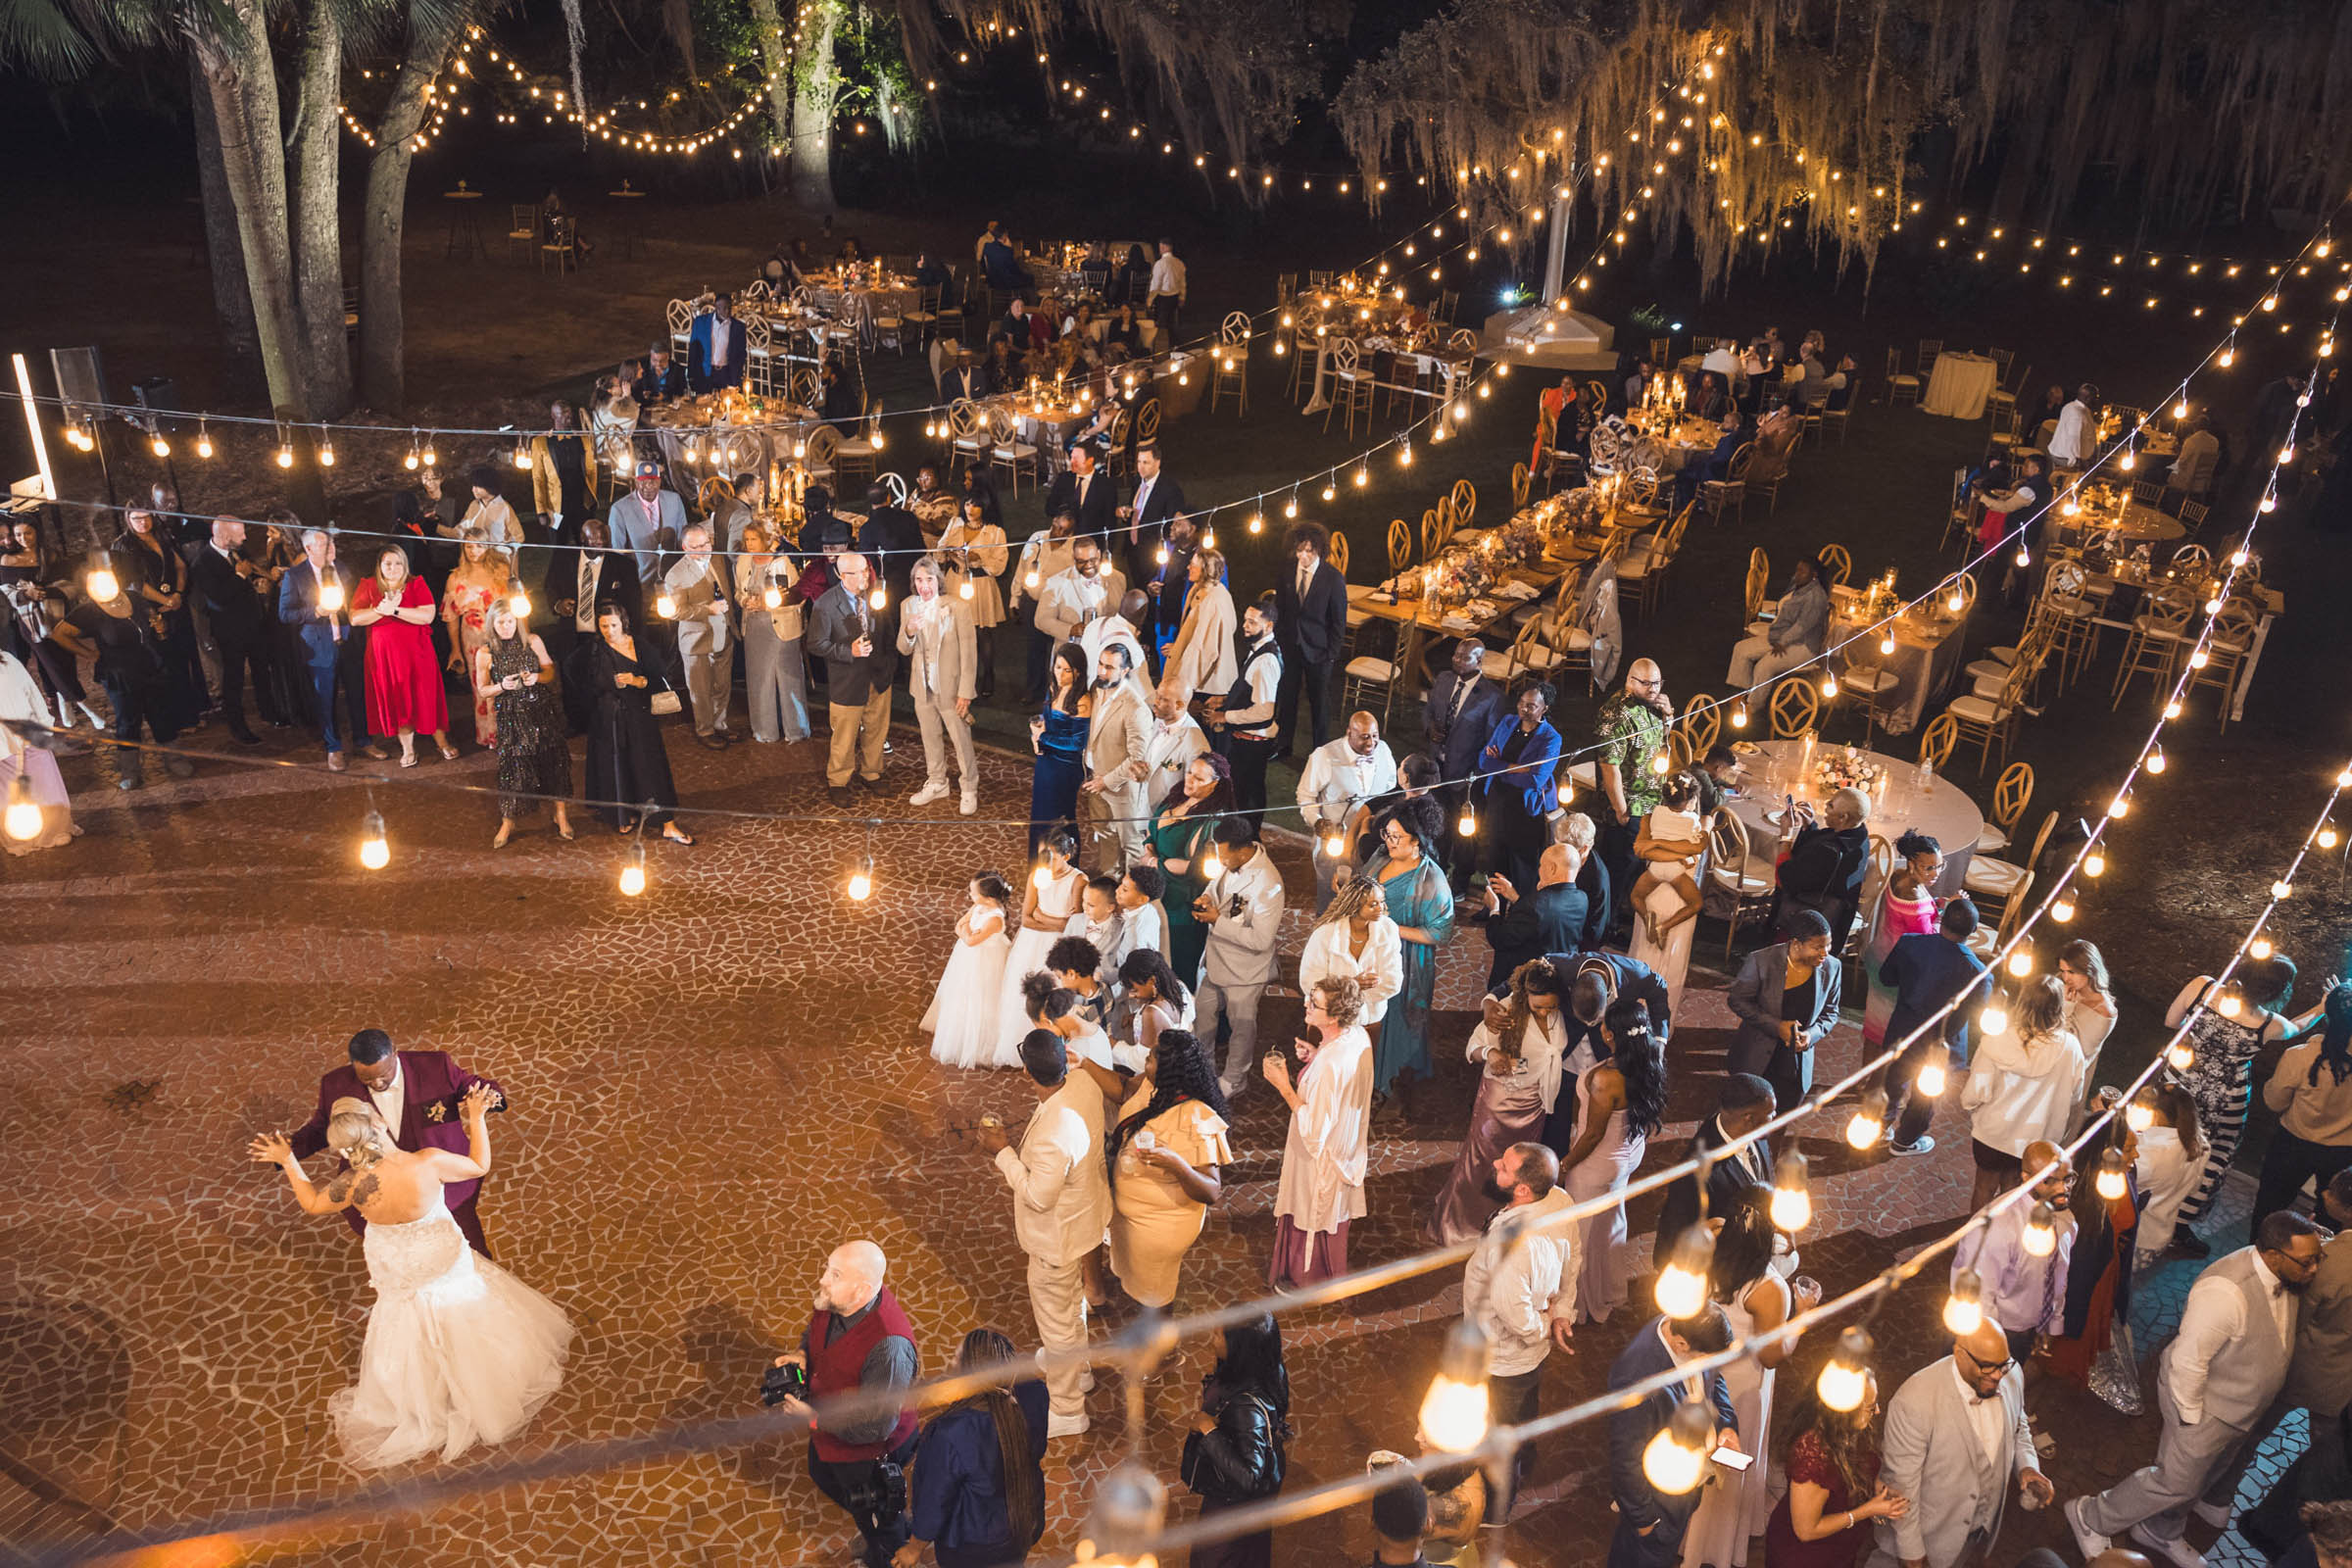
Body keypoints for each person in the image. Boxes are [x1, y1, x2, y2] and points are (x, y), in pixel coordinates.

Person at [249, 1085, 568, 1468]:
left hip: (398, 1270)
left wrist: (288, 1161)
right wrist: (478, 1118)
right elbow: (479, 1165)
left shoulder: (352, 1185)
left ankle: (425, 1401)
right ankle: (482, 1388)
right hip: (441, 1262)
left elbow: (313, 1203)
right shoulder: (427, 1163)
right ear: (379, 1122)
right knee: (462, 1312)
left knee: (409, 1325)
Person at [2066, 1213, 2328, 1568]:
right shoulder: (2226, 1292)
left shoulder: (2286, 1275)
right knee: (2173, 1483)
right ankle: (2091, 1514)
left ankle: (2161, 1530)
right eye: (2308, 1261)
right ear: (2274, 1255)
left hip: (2239, 1409)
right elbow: (2187, 1363)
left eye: (2318, 1258)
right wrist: (2190, 1421)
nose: (2314, 1269)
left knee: (2205, 1476)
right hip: (2205, 1408)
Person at [978, 1027, 1109, 1440]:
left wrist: (1002, 1152)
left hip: (1056, 1238)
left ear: (1027, 1075)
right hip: (1083, 1221)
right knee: (1072, 1306)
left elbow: (1037, 1196)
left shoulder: (1054, 1132)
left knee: (1056, 1323)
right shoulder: (1084, 1083)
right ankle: (1080, 1368)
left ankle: (1069, 1409)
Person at [285, 1029, 508, 1256]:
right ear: (353, 1065)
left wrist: (491, 1099)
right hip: (381, 1193)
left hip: (446, 1187)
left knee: (472, 1249)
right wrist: (287, 1151)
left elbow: (472, 1085)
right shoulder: (335, 1085)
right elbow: (322, 1129)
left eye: (384, 1074)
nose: (378, 1083)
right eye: (367, 1079)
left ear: (395, 1053)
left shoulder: (434, 1066)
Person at [768, 1242, 923, 1568]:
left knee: (880, 1515)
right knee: (821, 1472)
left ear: (862, 1289)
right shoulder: (839, 1301)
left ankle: (887, 1548)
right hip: (833, 1434)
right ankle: (873, 1530)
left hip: (869, 1451)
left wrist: (814, 1417)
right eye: (827, 1268)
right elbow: (815, 1331)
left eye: (835, 1274)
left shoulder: (888, 1348)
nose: (823, 1279)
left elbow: (877, 1426)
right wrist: (802, 1354)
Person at [1685, 1194, 1813, 1568]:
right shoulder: (1767, 1288)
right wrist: (1801, 1320)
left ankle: (1682, 1527)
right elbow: (1771, 1354)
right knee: (1726, 1459)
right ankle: (1713, 1541)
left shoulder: (1709, 1242)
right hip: (1740, 1388)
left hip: (1701, 1368)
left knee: (1695, 1445)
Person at [1461, 1140, 1581, 1517]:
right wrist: (1562, 1311)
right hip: (1531, 1356)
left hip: (1501, 1357)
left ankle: (1496, 1507)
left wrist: (1544, 1324)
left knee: (1497, 1437)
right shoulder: (1560, 1198)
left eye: (1505, 1167)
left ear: (1523, 1190)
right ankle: (1525, 1457)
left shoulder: (1510, 1245)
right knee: (1523, 1414)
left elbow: (1513, 1313)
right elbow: (1573, 1260)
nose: (1495, 1162)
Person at [1875, 1319, 2052, 1568]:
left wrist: (2027, 1466)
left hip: (1971, 1536)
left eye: (2003, 1365)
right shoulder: (1914, 1400)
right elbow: (1902, 1488)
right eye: (1987, 1367)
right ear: (1960, 1354)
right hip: (1924, 1536)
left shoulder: (2012, 1375)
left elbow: (2019, 1426)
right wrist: (1912, 1554)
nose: (1998, 1375)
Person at [2168, 957, 2303, 1250]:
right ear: (2275, 992)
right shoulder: (2270, 1025)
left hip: (2176, 1081)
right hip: (2225, 1101)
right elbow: (2298, 1028)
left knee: (2158, 1136)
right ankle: (2179, 1227)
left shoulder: (2201, 987)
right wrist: (2322, 1007)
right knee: (2209, 1158)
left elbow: (2171, 1022)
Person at [1431, 960, 1568, 1244]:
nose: (1545, 1012)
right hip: (1499, 1104)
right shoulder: (1505, 1010)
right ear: (1525, 996)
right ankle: (1464, 1224)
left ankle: (1506, 1222)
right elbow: (1473, 1046)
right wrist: (1491, 1053)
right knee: (1484, 1165)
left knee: (1520, 1171)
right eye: (1539, 1006)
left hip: (1535, 1106)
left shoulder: (1559, 1013)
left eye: (1550, 1007)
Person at [898, 1328, 1045, 1568]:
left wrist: (913, 1549)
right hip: (1025, 1522)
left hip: (974, 1546)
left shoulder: (950, 1434)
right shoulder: (1035, 1392)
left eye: (957, 1358)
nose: (951, 1361)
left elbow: (934, 1501)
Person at [1106, 1027, 1231, 1308]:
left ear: (1168, 1070)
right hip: (1132, 1217)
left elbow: (1212, 1191)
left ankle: (1165, 1349)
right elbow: (1124, 1089)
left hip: (1160, 1225)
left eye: (1150, 1058)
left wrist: (1176, 1163)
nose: (1146, 1063)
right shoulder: (1155, 1086)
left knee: (1156, 1295)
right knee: (1140, 1282)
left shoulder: (1196, 1116)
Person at [1608, 1305, 1741, 1568]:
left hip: (1686, 1487)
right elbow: (1625, 1459)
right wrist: (1647, 1521)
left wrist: (1726, 1424)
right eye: (1706, 1357)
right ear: (1680, 1344)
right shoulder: (1635, 1378)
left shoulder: (1685, 1323)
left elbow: (1715, 1377)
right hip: (1659, 1503)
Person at [1563, 998, 1669, 1323]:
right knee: (1609, 1223)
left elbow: (1593, 1135)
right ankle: (1606, 1288)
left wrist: (1565, 1164)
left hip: (1597, 1162)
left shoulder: (1605, 1080)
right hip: (1628, 1152)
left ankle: (1578, 1303)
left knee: (1579, 1231)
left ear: (1610, 1035)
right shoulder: (1650, 1060)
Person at [1265, 975, 1373, 1287]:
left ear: (1335, 1015)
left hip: (1322, 1159)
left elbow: (1313, 1131)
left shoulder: (1332, 1064)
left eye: (1315, 1003)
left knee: (1311, 1216)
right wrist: (1315, 1056)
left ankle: (1308, 1280)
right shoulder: (1356, 1036)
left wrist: (1284, 1086)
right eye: (1310, 996)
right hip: (1347, 1146)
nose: (1306, 1005)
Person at [1876, 899, 1993, 1158]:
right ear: (1974, 931)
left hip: (1904, 1031)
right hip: (1942, 1044)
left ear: (1942, 920)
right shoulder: (1978, 972)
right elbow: (1977, 1016)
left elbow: (1887, 977)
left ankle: (1878, 1127)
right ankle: (1905, 1141)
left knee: (1893, 1080)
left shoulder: (1910, 943)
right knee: (1925, 1094)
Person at [1962, 976, 2087, 1212]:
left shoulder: (1998, 1039)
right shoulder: (2070, 1048)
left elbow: (1977, 1090)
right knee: (2014, 1192)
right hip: (2035, 1140)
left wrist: (1970, 1106)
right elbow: (2075, 1095)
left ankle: (1974, 1238)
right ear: (2058, 1008)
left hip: (1993, 1132)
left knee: (1983, 1187)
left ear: (2022, 1003)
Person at [1952, 1142, 2077, 1364]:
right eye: (2050, 1181)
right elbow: (1979, 1297)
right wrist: (1990, 1343)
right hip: (2001, 1331)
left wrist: (2052, 1324)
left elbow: (2058, 1276)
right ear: (2026, 1178)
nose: (2062, 1189)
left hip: (2032, 1326)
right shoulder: (1997, 1227)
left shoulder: (2066, 1219)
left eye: (2068, 1179)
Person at [1182, 1313, 1290, 1568]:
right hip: (1249, 1502)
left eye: (1220, 1334)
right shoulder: (1268, 1368)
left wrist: (1209, 1432)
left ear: (1239, 1348)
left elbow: (1249, 1476)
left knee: (1215, 1557)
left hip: (1234, 1502)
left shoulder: (1246, 1409)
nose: (1213, 1337)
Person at [1189, 815, 1286, 1096]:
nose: (1220, 861)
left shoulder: (1269, 884)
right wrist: (1208, 898)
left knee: (1241, 1027)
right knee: (1203, 1017)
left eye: (1223, 855)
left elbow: (1260, 939)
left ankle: (1234, 1079)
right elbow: (1215, 886)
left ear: (1242, 851)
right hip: (1214, 961)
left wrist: (1216, 919)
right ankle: (1202, 1069)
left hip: (1245, 971)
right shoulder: (1230, 861)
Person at [2047, 1116, 2140, 1406]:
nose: (2136, 1156)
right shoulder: (2080, 1201)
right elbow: (2071, 1269)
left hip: (2104, 1278)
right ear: (2105, 1151)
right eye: (2128, 1148)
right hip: (2080, 1291)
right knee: (2054, 1360)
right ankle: (2026, 1412)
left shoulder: (2123, 1176)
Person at [1765, 1375, 1905, 1568]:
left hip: (1839, 1549)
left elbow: (1856, 1471)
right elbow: (1806, 1531)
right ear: (1846, 1409)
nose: (1878, 1411)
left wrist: (1880, 1490)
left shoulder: (1852, 1430)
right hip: (1804, 1557)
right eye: (1871, 1406)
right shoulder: (1813, 1451)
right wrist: (1868, 1510)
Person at [578, 604, 692, 843]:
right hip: (609, 718)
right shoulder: (595, 649)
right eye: (604, 626)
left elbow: (659, 676)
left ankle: (667, 823)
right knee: (617, 766)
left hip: (639, 715)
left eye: (614, 625)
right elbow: (580, 677)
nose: (609, 631)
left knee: (649, 766)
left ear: (624, 623)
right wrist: (604, 688)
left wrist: (636, 681)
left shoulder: (639, 645)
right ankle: (624, 814)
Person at [1368, 809, 1456, 1108]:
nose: (1389, 842)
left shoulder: (1431, 880)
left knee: (1396, 1020)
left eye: (1396, 836)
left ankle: (1389, 1084)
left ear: (1416, 840)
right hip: (1371, 952)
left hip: (1406, 960)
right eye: (1386, 834)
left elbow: (1439, 933)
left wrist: (1391, 928)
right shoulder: (1380, 858)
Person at [275, 528, 377, 770]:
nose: (331, 548)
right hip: (320, 646)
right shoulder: (296, 576)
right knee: (325, 698)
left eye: (331, 543)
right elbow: (284, 614)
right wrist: (316, 612)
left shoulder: (342, 568)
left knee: (357, 693)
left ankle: (364, 740)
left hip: (349, 642)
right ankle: (334, 748)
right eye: (323, 545)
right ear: (309, 549)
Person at [472, 598, 572, 847]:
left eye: (510, 621)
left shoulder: (533, 641)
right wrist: (501, 686)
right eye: (500, 623)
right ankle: (508, 820)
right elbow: (482, 690)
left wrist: (537, 676)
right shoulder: (485, 653)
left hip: (540, 710)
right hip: (511, 716)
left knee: (553, 761)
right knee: (513, 769)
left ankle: (560, 814)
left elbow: (550, 672)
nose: (506, 627)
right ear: (492, 624)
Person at [2255, 979, 2352, 1230]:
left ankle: (2260, 1254)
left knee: (2270, 1207)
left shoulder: (2301, 1056)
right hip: (2343, 1154)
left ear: (2329, 1017)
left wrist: (2330, 1005)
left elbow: (2273, 1101)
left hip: (2293, 1143)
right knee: (2331, 1219)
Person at [1654, 1073, 1778, 1264]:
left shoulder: (1756, 1132)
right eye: (1771, 1112)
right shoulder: (1694, 1176)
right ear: (1748, 1118)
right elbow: (1677, 1238)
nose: (1775, 1117)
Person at [1728, 910, 1843, 1113]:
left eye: (1828, 944)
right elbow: (1737, 1000)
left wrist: (1811, 1035)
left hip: (1796, 1064)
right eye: (1818, 947)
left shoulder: (1833, 968)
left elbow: (1831, 1012)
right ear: (1797, 944)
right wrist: (1776, 1026)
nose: (1825, 952)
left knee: (1782, 1117)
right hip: (1756, 1057)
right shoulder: (1761, 961)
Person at [350, 546, 455, 767]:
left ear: (405, 565)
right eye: (388, 563)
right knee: (398, 699)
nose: (393, 568)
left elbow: (427, 615)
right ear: (379, 566)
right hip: (385, 657)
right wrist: (380, 610)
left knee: (426, 694)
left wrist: (395, 611)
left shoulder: (416, 583)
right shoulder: (368, 585)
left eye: (398, 563)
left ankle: (441, 741)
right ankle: (408, 749)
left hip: (417, 652)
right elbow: (355, 618)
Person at [809, 552, 900, 808]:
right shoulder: (825, 605)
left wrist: (889, 666)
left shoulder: (876, 596)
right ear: (840, 575)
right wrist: (849, 652)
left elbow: (888, 635)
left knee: (877, 731)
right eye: (857, 572)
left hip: (878, 678)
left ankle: (872, 772)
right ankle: (838, 781)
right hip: (847, 682)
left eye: (865, 569)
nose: (864, 576)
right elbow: (815, 644)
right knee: (844, 737)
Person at [898, 557, 981, 815]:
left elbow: (969, 653)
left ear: (938, 581)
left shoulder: (958, 607)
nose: (924, 586)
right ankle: (937, 782)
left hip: (951, 688)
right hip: (921, 688)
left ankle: (969, 788)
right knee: (929, 737)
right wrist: (909, 631)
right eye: (919, 580)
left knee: (960, 739)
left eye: (929, 580)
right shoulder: (907, 605)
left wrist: (966, 692)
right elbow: (902, 648)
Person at [1594, 660, 1672, 936]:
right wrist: (1621, 809)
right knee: (1618, 869)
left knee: (1633, 867)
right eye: (1647, 683)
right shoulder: (1617, 714)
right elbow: (1609, 765)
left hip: (1650, 801)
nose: (1653, 689)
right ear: (1630, 680)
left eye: (1657, 683)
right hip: (1629, 806)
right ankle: (1605, 925)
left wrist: (1668, 716)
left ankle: (1620, 913)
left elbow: (1661, 743)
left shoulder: (1653, 705)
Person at [187, 514, 279, 743]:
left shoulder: (239, 551)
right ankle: (238, 727)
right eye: (241, 534)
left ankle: (270, 712)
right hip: (230, 632)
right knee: (234, 680)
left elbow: (249, 578)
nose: (245, 537)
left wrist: (257, 583)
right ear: (225, 535)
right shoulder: (202, 563)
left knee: (262, 672)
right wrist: (240, 576)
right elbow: (217, 599)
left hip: (254, 624)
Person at [1298, 711, 1400, 909]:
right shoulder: (1325, 756)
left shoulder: (1384, 750)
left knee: (1365, 897)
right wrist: (1317, 821)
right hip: (1334, 843)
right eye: (1364, 737)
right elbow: (1305, 795)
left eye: (1375, 735)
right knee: (1331, 897)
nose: (1371, 742)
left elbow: (1390, 785)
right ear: (1349, 733)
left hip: (1369, 841)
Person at [999, 822, 1086, 1050]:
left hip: (1061, 947)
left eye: (1054, 857)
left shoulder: (1078, 880)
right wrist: (1058, 923)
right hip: (1032, 942)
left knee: (1056, 996)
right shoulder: (1037, 876)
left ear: (1067, 855)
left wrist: (1044, 917)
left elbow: (1074, 923)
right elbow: (1027, 918)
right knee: (1026, 996)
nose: (1047, 862)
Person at [1475, 676, 1565, 895]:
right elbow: (1484, 761)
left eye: (1531, 706)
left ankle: (1520, 908)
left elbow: (1536, 779)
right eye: (1522, 703)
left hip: (1525, 810)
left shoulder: (1551, 739)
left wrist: (1502, 767)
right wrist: (1519, 767)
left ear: (1544, 709)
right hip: (1498, 800)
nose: (1524, 709)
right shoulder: (1507, 722)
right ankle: (1494, 906)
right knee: (1495, 854)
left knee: (1522, 862)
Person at [1626, 770, 1708, 1009]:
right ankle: (1664, 926)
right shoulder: (1695, 822)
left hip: (1654, 875)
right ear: (1692, 800)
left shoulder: (1651, 818)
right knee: (1695, 904)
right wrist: (1682, 855)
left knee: (1636, 897)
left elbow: (1643, 849)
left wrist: (1657, 843)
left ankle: (1647, 917)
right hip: (1677, 879)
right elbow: (1694, 848)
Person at [1426, 638, 1506, 878]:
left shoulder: (1492, 697)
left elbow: (1492, 741)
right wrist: (1429, 728)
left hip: (1467, 776)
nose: (1457, 660)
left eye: (1464, 657)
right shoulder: (1443, 680)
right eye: (1456, 655)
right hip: (1438, 769)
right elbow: (1428, 710)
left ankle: (1461, 879)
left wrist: (1475, 774)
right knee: (1438, 826)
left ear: (1479, 661)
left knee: (1464, 833)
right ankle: (1435, 873)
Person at [1298, 873, 1404, 1046]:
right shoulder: (1326, 934)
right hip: (1328, 1022)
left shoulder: (1388, 930)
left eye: (1381, 902)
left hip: (1368, 1024)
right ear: (1355, 906)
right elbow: (1309, 983)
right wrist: (1352, 984)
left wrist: (1341, 993)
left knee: (1362, 1071)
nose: (1381, 908)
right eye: (1373, 904)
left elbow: (1393, 982)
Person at [1272, 522, 1348, 759]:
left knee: (1319, 704)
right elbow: (1281, 609)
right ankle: (1283, 745)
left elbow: (1338, 621)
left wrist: (1331, 654)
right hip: (1291, 647)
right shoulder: (1286, 571)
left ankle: (1319, 751)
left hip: (1319, 652)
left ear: (1319, 550)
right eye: (1299, 550)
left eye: (1309, 551)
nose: (1303, 556)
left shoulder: (1333, 578)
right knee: (1287, 698)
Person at [1861, 832, 1944, 1050]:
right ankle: (1874, 1080)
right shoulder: (1914, 899)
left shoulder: (1899, 877)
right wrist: (1948, 911)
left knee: (1874, 1024)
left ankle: (1863, 1077)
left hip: (1880, 956)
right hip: (1897, 972)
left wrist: (1939, 904)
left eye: (1939, 866)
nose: (1935, 873)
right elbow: (1928, 941)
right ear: (1911, 864)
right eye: (1929, 868)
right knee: (1888, 1032)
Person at [925, 872, 1015, 1069]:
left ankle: (981, 1044)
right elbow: (959, 926)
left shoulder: (995, 918)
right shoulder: (979, 906)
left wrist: (966, 934)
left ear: (988, 897)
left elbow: (971, 941)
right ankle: (961, 1033)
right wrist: (966, 933)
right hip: (968, 960)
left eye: (973, 893)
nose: (970, 896)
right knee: (963, 996)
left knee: (983, 1000)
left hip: (986, 964)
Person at [735, 521, 811, 745]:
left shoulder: (782, 563)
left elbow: (798, 598)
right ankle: (765, 730)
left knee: (788, 678)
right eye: (747, 540)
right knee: (759, 679)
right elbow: (738, 591)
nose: (749, 544)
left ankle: (796, 729)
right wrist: (745, 601)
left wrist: (768, 605)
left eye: (754, 539)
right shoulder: (743, 561)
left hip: (781, 628)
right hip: (754, 628)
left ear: (765, 540)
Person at [1080, 640, 1151, 871]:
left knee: (1130, 842)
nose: (1102, 671)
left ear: (1125, 670)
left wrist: (1106, 781)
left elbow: (1137, 759)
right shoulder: (1096, 689)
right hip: (1094, 778)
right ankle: (1110, 881)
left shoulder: (1135, 708)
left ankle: (1135, 892)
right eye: (1100, 664)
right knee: (1104, 833)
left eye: (1109, 667)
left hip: (1120, 787)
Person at [1481, 843, 1589, 992]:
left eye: (1541, 865)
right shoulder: (1581, 899)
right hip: (1559, 977)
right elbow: (1542, 923)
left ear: (1552, 869)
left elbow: (1500, 939)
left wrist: (1494, 909)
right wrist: (1516, 898)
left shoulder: (1535, 905)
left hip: (1527, 984)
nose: (1539, 870)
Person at [1776, 787, 1873, 950]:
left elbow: (1784, 878)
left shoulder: (1828, 851)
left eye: (1831, 805)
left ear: (1843, 817)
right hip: (1836, 918)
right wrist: (1809, 826)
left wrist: (1786, 835)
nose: (1825, 808)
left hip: (1807, 924)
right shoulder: (1859, 835)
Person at [440, 530, 510, 749]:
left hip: (500, 631)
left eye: (479, 546)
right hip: (472, 635)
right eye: (469, 546)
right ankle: (489, 734)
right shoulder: (456, 577)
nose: (474, 551)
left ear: (487, 546)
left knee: (505, 680)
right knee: (481, 683)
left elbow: (514, 605)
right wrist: (455, 649)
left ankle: (508, 730)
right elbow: (450, 616)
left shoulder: (501, 571)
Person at [938, 494, 1007, 699]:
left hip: (980, 584)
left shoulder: (995, 532)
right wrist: (951, 553)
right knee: (955, 631)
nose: (970, 509)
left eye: (976, 504)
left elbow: (999, 564)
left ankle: (987, 674)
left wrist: (979, 557)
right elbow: (940, 549)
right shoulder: (955, 523)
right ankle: (960, 676)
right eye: (968, 503)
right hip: (955, 580)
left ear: (985, 507)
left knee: (982, 632)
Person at [1727, 557, 1832, 694]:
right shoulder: (1798, 586)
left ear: (1814, 575)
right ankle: (1740, 695)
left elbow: (1801, 627)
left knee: (1764, 666)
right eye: (1797, 570)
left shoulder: (1816, 597)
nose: (1797, 574)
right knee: (1741, 648)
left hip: (1803, 647)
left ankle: (1753, 705)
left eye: (1802, 572)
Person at [1219, 595, 1284, 811]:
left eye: (1252, 622)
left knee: (1247, 796)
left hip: (1253, 742)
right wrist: (1223, 700)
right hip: (1247, 739)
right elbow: (1248, 690)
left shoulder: (1266, 661)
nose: (1245, 626)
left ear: (1269, 626)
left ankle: (1250, 838)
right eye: (1245, 620)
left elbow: (1264, 712)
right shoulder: (1257, 648)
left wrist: (1225, 716)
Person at [2135, 1082, 2210, 1266]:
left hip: (2137, 1235)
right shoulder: (2201, 1146)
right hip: (2161, 1233)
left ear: (2158, 1115)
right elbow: (2193, 1189)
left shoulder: (2152, 1153)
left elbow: (2122, 1181)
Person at [1027, 644, 1090, 853]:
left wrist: (1044, 737)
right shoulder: (1053, 689)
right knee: (1040, 815)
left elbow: (1077, 743)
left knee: (1060, 817)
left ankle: (1066, 866)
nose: (1060, 674)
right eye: (1057, 667)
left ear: (1078, 672)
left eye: (1066, 670)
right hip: (1046, 762)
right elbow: (1047, 721)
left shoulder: (1082, 700)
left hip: (1065, 768)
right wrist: (1037, 736)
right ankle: (1039, 866)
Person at [1162, 543, 1237, 704]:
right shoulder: (1198, 590)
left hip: (1204, 684)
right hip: (1198, 678)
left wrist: (1180, 684)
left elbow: (1204, 650)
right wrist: (1178, 648)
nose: (1188, 567)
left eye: (1193, 566)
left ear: (1205, 570)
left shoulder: (1213, 601)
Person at [610, 462, 687, 589]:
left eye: (653, 481)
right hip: (639, 585)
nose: (648, 486)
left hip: (673, 582)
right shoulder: (619, 509)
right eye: (643, 481)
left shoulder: (674, 500)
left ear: (660, 481)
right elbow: (618, 554)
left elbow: (683, 541)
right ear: (636, 482)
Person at [2058, 941, 2121, 1090]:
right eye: (2063, 971)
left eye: (2072, 972)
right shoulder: (2068, 989)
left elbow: (2073, 1053)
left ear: (2090, 970)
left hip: (2066, 1075)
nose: (2066, 978)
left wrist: (2066, 1010)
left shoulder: (2104, 1013)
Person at [1143, 684, 1211, 808]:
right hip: (1141, 808)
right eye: (1156, 696)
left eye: (1162, 699)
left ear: (1179, 705)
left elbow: (1196, 795)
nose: (1155, 702)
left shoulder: (1195, 743)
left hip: (1164, 817)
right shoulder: (1160, 719)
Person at [687, 293, 745, 392]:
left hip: (726, 373)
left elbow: (741, 353)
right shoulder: (701, 322)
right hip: (706, 372)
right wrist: (691, 375)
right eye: (724, 308)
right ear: (716, 308)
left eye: (729, 308)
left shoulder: (738, 327)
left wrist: (737, 376)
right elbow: (693, 350)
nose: (728, 311)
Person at [2047, 382, 2099, 468]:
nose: (2097, 400)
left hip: (2063, 454)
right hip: (2065, 458)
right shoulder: (2077, 413)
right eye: (2096, 398)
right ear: (2088, 398)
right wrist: (2075, 461)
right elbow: (2073, 437)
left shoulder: (2071, 406)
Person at [2168, 414, 2220, 499]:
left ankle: (2167, 502)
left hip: (2189, 479)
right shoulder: (2215, 441)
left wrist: (2170, 465)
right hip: (2203, 481)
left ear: (2195, 427)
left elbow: (2182, 461)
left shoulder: (2192, 440)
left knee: (2168, 470)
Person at [1145, 238, 1187, 340]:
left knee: (1161, 327)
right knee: (1172, 326)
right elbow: (1182, 283)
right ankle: (1174, 345)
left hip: (1163, 299)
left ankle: (1161, 347)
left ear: (1163, 247)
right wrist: (1182, 297)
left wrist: (1149, 301)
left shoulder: (1160, 264)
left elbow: (1156, 285)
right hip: (1175, 298)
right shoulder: (1179, 263)